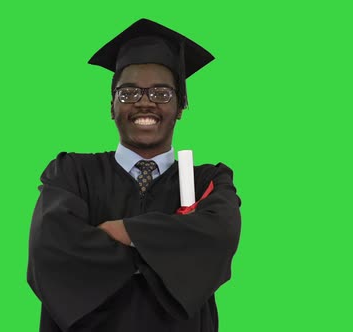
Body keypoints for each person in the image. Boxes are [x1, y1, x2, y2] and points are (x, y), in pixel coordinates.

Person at [27, 18, 241, 332]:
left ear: (181, 105)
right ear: (111, 105)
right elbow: (50, 252)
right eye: (128, 93)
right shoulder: (71, 172)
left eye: (161, 93)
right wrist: (170, 250)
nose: (143, 102)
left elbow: (220, 236)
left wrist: (124, 231)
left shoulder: (206, 181)